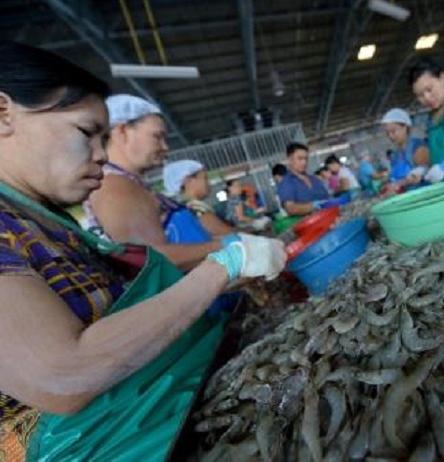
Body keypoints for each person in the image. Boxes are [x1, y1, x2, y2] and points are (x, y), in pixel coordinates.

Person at [0, 41, 286, 460]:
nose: (101, 154)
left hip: (169, 420)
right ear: (4, 113)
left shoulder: (46, 221)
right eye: (85, 132)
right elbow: (61, 375)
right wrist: (219, 268)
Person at [84, 94, 241, 271]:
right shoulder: (113, 185)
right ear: (123, 131)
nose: (165, 147)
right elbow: (147, 262)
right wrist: (229, 245)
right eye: (157, 137)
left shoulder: (132, 184)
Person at [163, 159, 242, 237]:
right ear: (189, 181)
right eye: (205, 178)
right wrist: (250, 229)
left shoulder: (191, 207)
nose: (209, 183)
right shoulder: (196, 208)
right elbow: (224, 233)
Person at [380, 108, 430, 188]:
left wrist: (399, 184)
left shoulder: (417, 147)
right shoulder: (396, 154)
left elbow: (425, 172)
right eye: (387, 133)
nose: (391, 136)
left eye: (393, 131)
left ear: (405, 127)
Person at [276, 142, 330, 216]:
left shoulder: (315, 179)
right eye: (300, 158)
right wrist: (313, 206)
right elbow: (291, 209)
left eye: (306, 159)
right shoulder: (287, 183)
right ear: (289, 159)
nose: (304, 162)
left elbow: (327, 198)